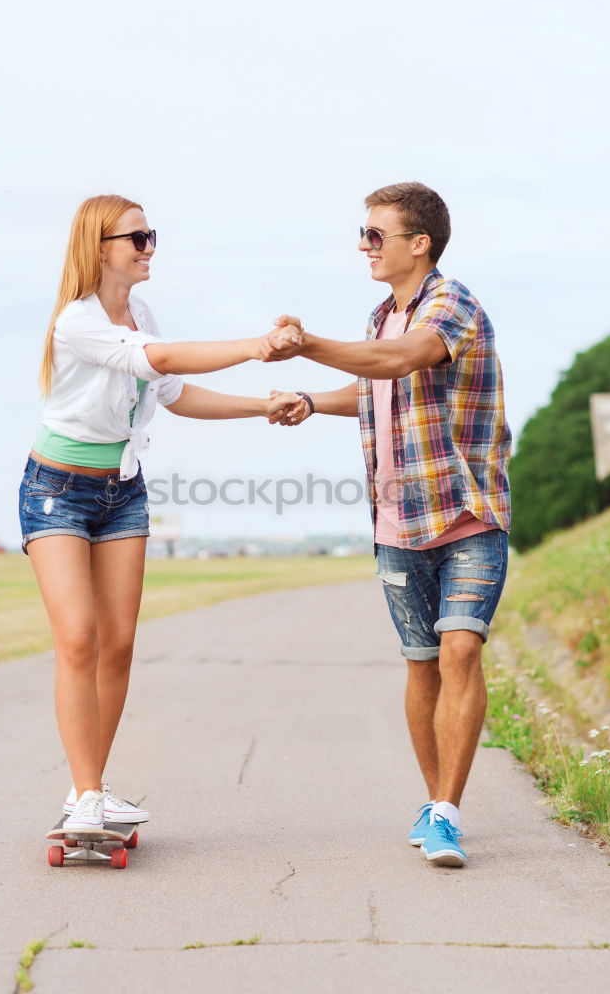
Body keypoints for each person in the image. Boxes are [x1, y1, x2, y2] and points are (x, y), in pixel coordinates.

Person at [21, 194, 302, 832]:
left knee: (118, 645)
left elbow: (173, 393)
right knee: (78, 638)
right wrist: (258, 345)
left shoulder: (140, 310)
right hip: (57, 487)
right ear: (99, 247)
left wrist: (264, 406)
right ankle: (88, 796)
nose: (150, 248)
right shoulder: (77, 321)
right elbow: (163, 360)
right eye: (137, 239)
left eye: (153, 236)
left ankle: (87, 791)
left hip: (123, 489)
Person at [265, 182, 511, 868]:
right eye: (364, 234)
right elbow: (375, 381)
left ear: (418, 243)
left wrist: (308, 343)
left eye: (376, 234)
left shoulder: (450, 303)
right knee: (422, 662)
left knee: (461, 648)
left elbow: (401, 362)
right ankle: (437, 804)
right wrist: (313, 400)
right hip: (396, 519)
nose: (364, 246)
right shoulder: (380, 316)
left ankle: (447, 813)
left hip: (466, 512)